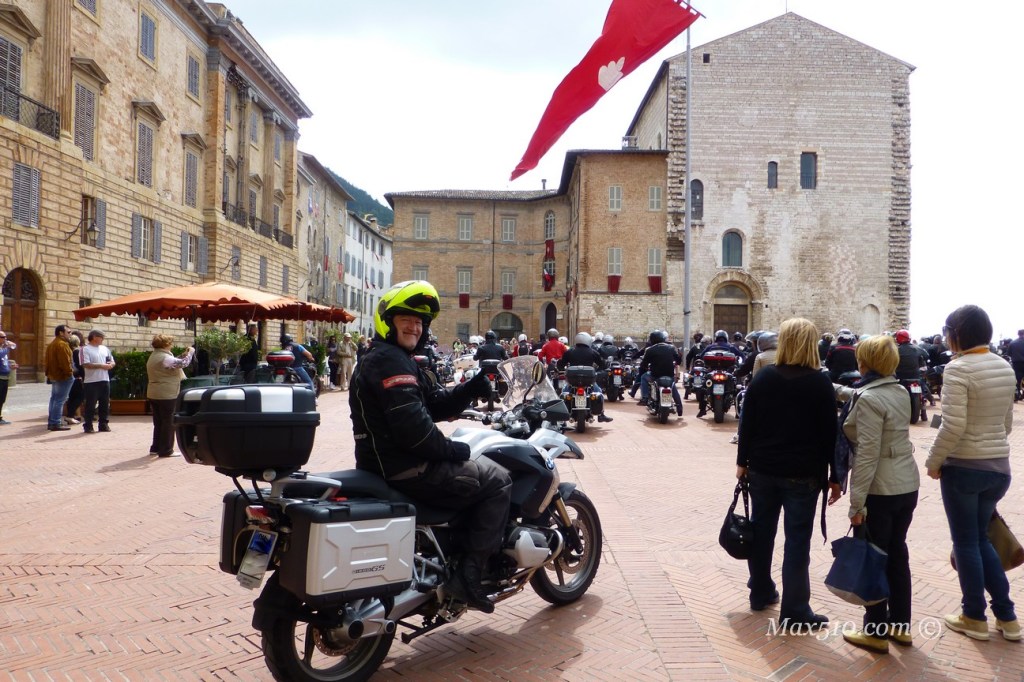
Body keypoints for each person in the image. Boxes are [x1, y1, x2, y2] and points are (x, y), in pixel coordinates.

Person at [349, 280, 511, 613]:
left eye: (419, 321)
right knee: (498, 481)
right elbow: (416, 433)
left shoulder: (392, 358)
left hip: (386, 463)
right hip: (408, 466)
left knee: (474, 474)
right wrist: (454, 450)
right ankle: (468, 577)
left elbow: (432, 405)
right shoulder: (389, 361)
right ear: (388, 321)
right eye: (406, 319)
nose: (414, 326)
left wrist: (469, 389)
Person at [736, 317, 839, 631]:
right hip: (803, 474)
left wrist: (742, 461)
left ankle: (760, 591)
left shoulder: (764, 377)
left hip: (763, 469)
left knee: (761, 532)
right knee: (797, 542)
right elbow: (829, 435)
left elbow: (747, 422)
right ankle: (795, 609)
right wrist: (835, 475)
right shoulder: (820, 382)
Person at [925, 304, 1019, 642]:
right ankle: (1007, 617)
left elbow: (952, 425)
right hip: (999, 467)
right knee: (979, 540)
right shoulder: (1004, 366)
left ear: (956, 334)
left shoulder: (958, 369)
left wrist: (934, 461)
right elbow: (1006, 423)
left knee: (966, 543)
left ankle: (974, 616)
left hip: (965, 468)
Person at [831, 334, 919, 653]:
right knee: (897, 553)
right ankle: (900, 625)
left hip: (879, 489)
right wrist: (833, 388)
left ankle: (875, 630)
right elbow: (862, 396)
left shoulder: (869, 398)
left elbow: (867, 454)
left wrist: (857, 504)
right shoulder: (899, 390)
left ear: (864, 362)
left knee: (873, 558)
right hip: (906, 484)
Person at [146, 334, 195, 457]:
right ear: (166, 344)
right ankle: (166, 450)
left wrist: (183, 355)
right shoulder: (164, 357)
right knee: (168, 422)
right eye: (171, 343)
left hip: (154, 392)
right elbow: (183, 363)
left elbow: (173, 363)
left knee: (158, 422)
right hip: (167, 393)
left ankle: (155, 447)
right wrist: (191, 352)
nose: (172, 345)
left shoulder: (155, 355)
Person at [557, 332, 613, 422]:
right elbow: (602, 364)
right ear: (588, 340)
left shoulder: (570, 351)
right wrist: (600, 369)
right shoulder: (592, 352)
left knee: (564, 392)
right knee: (599, 392)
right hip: (588, 380)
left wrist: (560, 368)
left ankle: (561, 416)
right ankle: (601, 415)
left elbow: (561, 364)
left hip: (573, 380)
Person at [634, 329, 683, 416]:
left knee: (643, 377)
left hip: (655, 375)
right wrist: (679, 356)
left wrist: (644, 367)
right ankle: (679, 407)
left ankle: (645, 398)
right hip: (669, 375)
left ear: (652, 340)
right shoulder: (671, 348)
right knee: (673, 387)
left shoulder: (650, 350)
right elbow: (678, 361)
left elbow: (644, 364)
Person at [81, 329, 115, 433]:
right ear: (94, 337)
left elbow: (111, 360)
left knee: (104, 403)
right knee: (90, 404)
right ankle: (88, 425)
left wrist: (111, 365)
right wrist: (101, 366)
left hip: (104, 379)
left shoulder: (105, 349)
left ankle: (103, 424)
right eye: (101, 337)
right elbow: (85, 364)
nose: (103, 339)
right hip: (91, 381)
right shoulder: (85, 349)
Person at [45, 324, 76, 431]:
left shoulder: (52, 344)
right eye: (69, 332)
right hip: (63, 376)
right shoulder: (62, 345)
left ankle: (52, 421)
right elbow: (65, 363)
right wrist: (70, 373)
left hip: (54, 375)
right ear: (61, 333)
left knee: (54, 399)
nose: (70, 334)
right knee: (59, 400)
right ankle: (55, 422)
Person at [894, 329, 930, 419]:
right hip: (915, 376)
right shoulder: (917, 348)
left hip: (901, 377)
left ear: (898, 338)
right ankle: (924, 411)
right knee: (923, 389)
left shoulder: (896, 350)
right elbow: (926, 355)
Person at [64, 331, 85, 425]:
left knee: (72, 397)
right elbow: (80, 366)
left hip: (70, 376)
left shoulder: (68, 350)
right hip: (77, 377)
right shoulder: (77, 351)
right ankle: (70, 415)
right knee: (80, 397)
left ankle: (70, 416)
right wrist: (84, 377)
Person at [0, 329, 18, 425]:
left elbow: (3, 362)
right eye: (3, 337)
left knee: (2, 399)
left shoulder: (3, 349)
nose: (5, 339)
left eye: (5, 337)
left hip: (5, 378)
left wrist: (10, 366)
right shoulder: (3, 350)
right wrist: (8, 347)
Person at [1007, 329, 1024, 401]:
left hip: (1017, 363)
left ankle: (1017, 394)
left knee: (1017, 379)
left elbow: (1008, 353)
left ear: (1018, 334)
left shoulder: (1012, 343)